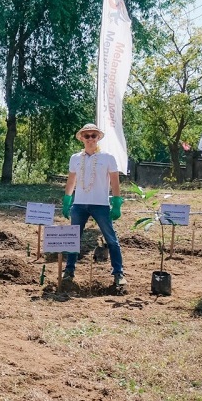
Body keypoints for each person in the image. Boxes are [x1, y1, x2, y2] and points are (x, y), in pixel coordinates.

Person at [62, 123, 125, 289]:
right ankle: (69, 270)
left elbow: (115, 181)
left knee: (111, 238)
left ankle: (118, 272)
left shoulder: (108, 158)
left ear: (98, 138)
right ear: (82, 138)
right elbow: (71, 180)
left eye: (93, 136)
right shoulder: (75, 158)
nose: (90, 139)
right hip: (79, 204)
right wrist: (67, 199)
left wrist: (117, 202)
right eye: (87, 136)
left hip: (101, 204)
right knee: (72, 239)